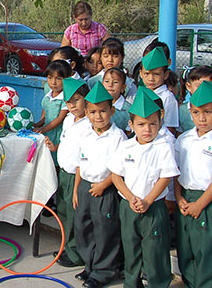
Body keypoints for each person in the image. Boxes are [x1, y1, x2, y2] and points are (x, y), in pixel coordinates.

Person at [109, 90, 179, 288]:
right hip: (128, 205)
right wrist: (131, 198)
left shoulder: (163, 146)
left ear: (160, 122)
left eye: (152, 124)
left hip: (154, 206)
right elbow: (116, 175)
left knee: (155, 250)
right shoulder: (126, 147)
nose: (147, 129)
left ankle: (159, 283)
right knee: (131, 248)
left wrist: (148, 200)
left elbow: (166, 177)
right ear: (131, 125)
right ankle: (132, 283)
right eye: (141, 124)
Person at [174, 81, 212, 287]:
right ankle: (191, 283)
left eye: (208, 112)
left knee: (208, 251)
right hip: (185, 199)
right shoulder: (184, 139)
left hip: (208, 201)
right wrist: (179, 197)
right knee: (186, 249)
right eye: (196, 112)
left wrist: (200, 204)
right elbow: (177, 172)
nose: (202, 118)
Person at [73, 82, 127, 288]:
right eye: (93, 111)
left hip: (106, 189)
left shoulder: (117, 137)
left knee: (105, 230)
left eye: (103, 111)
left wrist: (103, 185)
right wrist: (77, 190)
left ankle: (104, 270)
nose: (98, 116)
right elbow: (80, 163)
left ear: (112, 111)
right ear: (86, 112)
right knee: (83, 226)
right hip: (86, 187)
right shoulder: (85, 134)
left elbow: (118, 170)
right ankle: (91, 264)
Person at [46, 78, 90, 268]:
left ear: (86, 100)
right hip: (64, 173)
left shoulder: (89, 124)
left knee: (75, 215)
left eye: (77, 100)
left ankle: (77, 253)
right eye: (68, 102)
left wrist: (77, 187)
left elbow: (83, 158)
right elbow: (66, 144)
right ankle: (67, 246)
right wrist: (54, 148)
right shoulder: (69, 119)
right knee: (63, 211)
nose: (72, 105)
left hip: (76, 177)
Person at [33, 60, 71, 165]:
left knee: (56, 161)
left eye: (58, 78)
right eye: (50, 78)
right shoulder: (48, 95)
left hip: (57, 133)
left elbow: (59, 119)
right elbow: (46, 115)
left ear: (67, 79)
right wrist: (36, 124)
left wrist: (42, 129)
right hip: (47, 132)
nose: (53, 82)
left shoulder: (66, 98)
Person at [139, 47, 179, 135]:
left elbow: (170, 128)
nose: (151, 78)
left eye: (156, 74)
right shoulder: (140, 94)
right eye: (147, 74)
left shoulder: (167, 97)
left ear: (166, 75)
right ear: (141, 74)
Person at [88, 38, 137, 103]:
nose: (110, 60)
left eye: (115, 56)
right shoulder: (93, 81)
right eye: (106, 56)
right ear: (101, 57)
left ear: (122, 57)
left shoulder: (129, 83)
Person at [178, 66, 212, 133]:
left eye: (208, 86)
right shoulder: (181, 110)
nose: (203, 90)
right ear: (188, 86)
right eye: (199, 86)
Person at [102, 67, 131, 132]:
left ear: (123, 87)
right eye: (107, 81)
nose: (110, 85)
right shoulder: (97, 104)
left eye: (115, 82)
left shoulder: (128, 110)